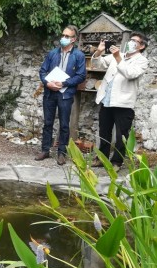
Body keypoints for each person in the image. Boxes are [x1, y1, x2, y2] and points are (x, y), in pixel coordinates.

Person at [91, 32, 149, 170]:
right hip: (106, 99)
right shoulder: (119, 55)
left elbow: (130, 74)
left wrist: (118, 58)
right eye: (131, 40)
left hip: (124, 102)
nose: (131, 42)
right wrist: (99, 52)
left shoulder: (142, 61)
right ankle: (102, 158)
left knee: (121, 135)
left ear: (141, 46)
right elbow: (98, 64)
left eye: (135, 41)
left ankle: (117, 162)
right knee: (104, 132)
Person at [36, 25, 86, 165]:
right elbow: (42, 71)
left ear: (73, 39)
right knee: (47, 123)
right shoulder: (52, 53)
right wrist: (47, 83)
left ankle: (61, 153)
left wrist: (64, 84)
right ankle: (45, 150)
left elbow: (81, 76)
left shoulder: (79, 55)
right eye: (63, 35)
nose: (63, 38)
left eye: (67, 36)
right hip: (50, 93)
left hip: (65, 94)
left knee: (64, 124)